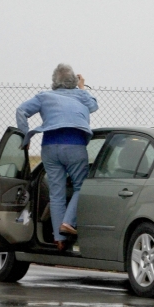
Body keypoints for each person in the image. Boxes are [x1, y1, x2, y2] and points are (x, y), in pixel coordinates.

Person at [16, 64, 98, 251]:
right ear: (74, 81)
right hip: (75, 146)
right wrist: (82, 87)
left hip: (50, 148)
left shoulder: (44, 96)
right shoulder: (81, 95)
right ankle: (68, 222)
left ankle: (59, 238)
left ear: (54, 81)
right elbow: (94, 106)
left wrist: (24, 134)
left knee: (56, 193)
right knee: (80, 186)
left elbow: (21, 110)